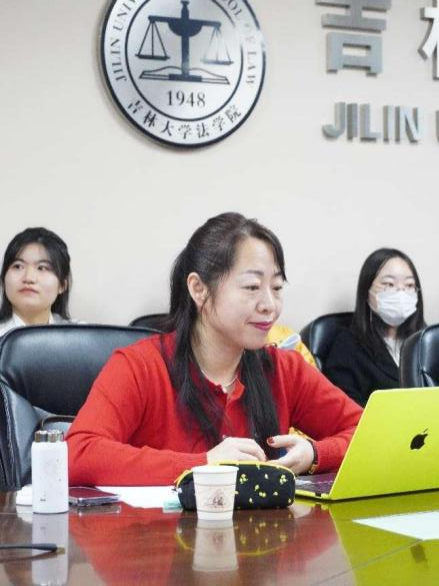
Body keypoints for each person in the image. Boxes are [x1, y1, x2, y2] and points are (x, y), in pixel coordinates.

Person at [67, 212, 362, 486]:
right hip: (158, 527)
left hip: (262, 528)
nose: (269, 305)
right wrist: (203, 465)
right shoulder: (139, 366)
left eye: (276, 288)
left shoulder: (284, 369)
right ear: (199, 289)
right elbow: (77, 455)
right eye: (252, 287)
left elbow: (373, 434)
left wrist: (316, 453)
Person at [324, 248, 425, 407]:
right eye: (389, 284)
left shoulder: (427, 342)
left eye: (409, 285)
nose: (401, 293)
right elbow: (342, 407)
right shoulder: (348, 346)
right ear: (367, 291)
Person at [0, 227, 74, 336]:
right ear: (3, 280)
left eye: (42, 268)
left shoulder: (81, 336)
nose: (29, 278)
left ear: (62, 285)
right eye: (18, 266)